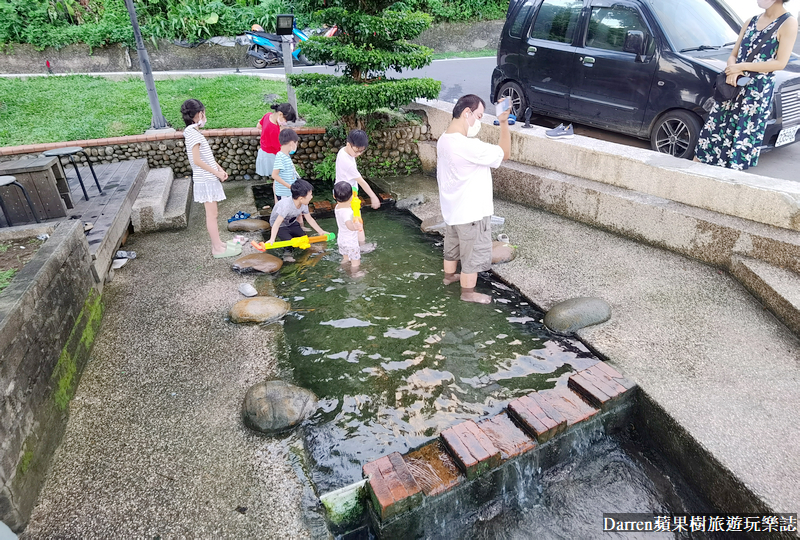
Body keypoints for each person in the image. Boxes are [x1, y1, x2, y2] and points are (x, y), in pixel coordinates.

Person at [694, 1, 797, 170]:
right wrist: (732, 69)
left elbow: (780, 63)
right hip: (732, 86)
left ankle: (727, 183)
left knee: (741, 139)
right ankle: (696, 174)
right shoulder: (751, 21)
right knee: (712, 133)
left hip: (756, 93)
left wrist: (740, 67)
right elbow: (734, 54)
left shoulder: (788, 23)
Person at [436, 94, 510, 304]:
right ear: (466, 113)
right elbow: (505, 153)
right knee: (471, 257)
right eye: (478, 115)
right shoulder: (467, 146)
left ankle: (449, 277)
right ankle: (468, 293)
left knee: (453, 248)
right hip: (471, 214)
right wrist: (503, 122)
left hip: (452, 211)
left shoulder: (444, 139)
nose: (478, 121)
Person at [181, 98, 241, 259]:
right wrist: (216, 173)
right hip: (205, 179)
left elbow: (206, 157)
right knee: (212, 215)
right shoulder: (192, 134)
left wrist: (219, 169)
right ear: (199, 114)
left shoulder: (193, 132)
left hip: (209, 177)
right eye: (203, 112)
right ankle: (216, 248)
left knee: (213, 214)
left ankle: (219, 243)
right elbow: (197, 160)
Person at [335, 129, 380, 251]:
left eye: (361, 151)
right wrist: (373, 196)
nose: (358, 154)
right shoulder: (347, 162)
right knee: (358, 222)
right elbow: (361, 181)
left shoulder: (343, 152)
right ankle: (361, 246)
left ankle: (345, 245)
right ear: (349, 144)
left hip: (342, 192)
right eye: (356, 151)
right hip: (349, 196)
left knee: (345, 223)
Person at [266, 179, 328, 263]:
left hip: (291, 223)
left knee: (303, 238)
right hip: (280, 225)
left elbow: (309, 219)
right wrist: (272, 239)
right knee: (289, 243)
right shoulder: (286, 205)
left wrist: (321, 231)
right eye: (310, 195)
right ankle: (287, 254)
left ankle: (310, 248)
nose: (312, 197)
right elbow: (276, 223)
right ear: (301, 198)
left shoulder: (304, 204)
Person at [256, 103, 297, 203]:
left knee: (276, 179)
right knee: (278, 179)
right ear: (280, 115)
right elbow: (279, 148)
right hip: (272, 155)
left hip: (264, 151)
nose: (285, 123)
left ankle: (277, 202)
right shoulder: (274, 129)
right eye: (286, 120)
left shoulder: (267, 115)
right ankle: (278, 202)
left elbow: (258, 126)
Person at [272, 128, 308, 230]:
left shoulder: (286, 156)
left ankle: (301, 227)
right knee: (285, 214)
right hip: (285, 192)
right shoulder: (280, 157)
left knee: (297, 209)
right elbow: (274, 175)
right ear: (292, 143)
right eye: (296, 143)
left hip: (290, 190)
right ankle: (283, 230)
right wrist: (289, 186)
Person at [333, 181, 365, 276]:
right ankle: (355, 273)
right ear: (351, 196)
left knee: (346, 258)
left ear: (334, 196)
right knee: (355, 262)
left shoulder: (337, 207)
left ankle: (341, 267)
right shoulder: (348, 213)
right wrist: (355, 226)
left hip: (341, 240)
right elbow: (349, 225)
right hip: (350, 242)